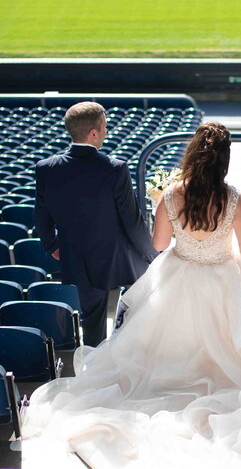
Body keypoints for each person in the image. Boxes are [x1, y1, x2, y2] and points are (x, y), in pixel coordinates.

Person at [24, 122, 241, 469]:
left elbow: (160, 244)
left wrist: (177, 227)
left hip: (179, 276)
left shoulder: (172, 194)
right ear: (224, 160)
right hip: (223, 277)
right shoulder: (235, 198)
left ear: (192, 155)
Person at [34, 102, 157, 346]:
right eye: (105, 127)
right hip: (118, 258)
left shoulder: (46, 168)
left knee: (92, 323)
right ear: (93, 133)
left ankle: (94, 363)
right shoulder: (115, 168)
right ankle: (125, 352)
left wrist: (52, 246)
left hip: (77, 258)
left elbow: (41, 216)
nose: (106, 132)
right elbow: (132, 221)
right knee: (138, 303)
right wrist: (150, 253)